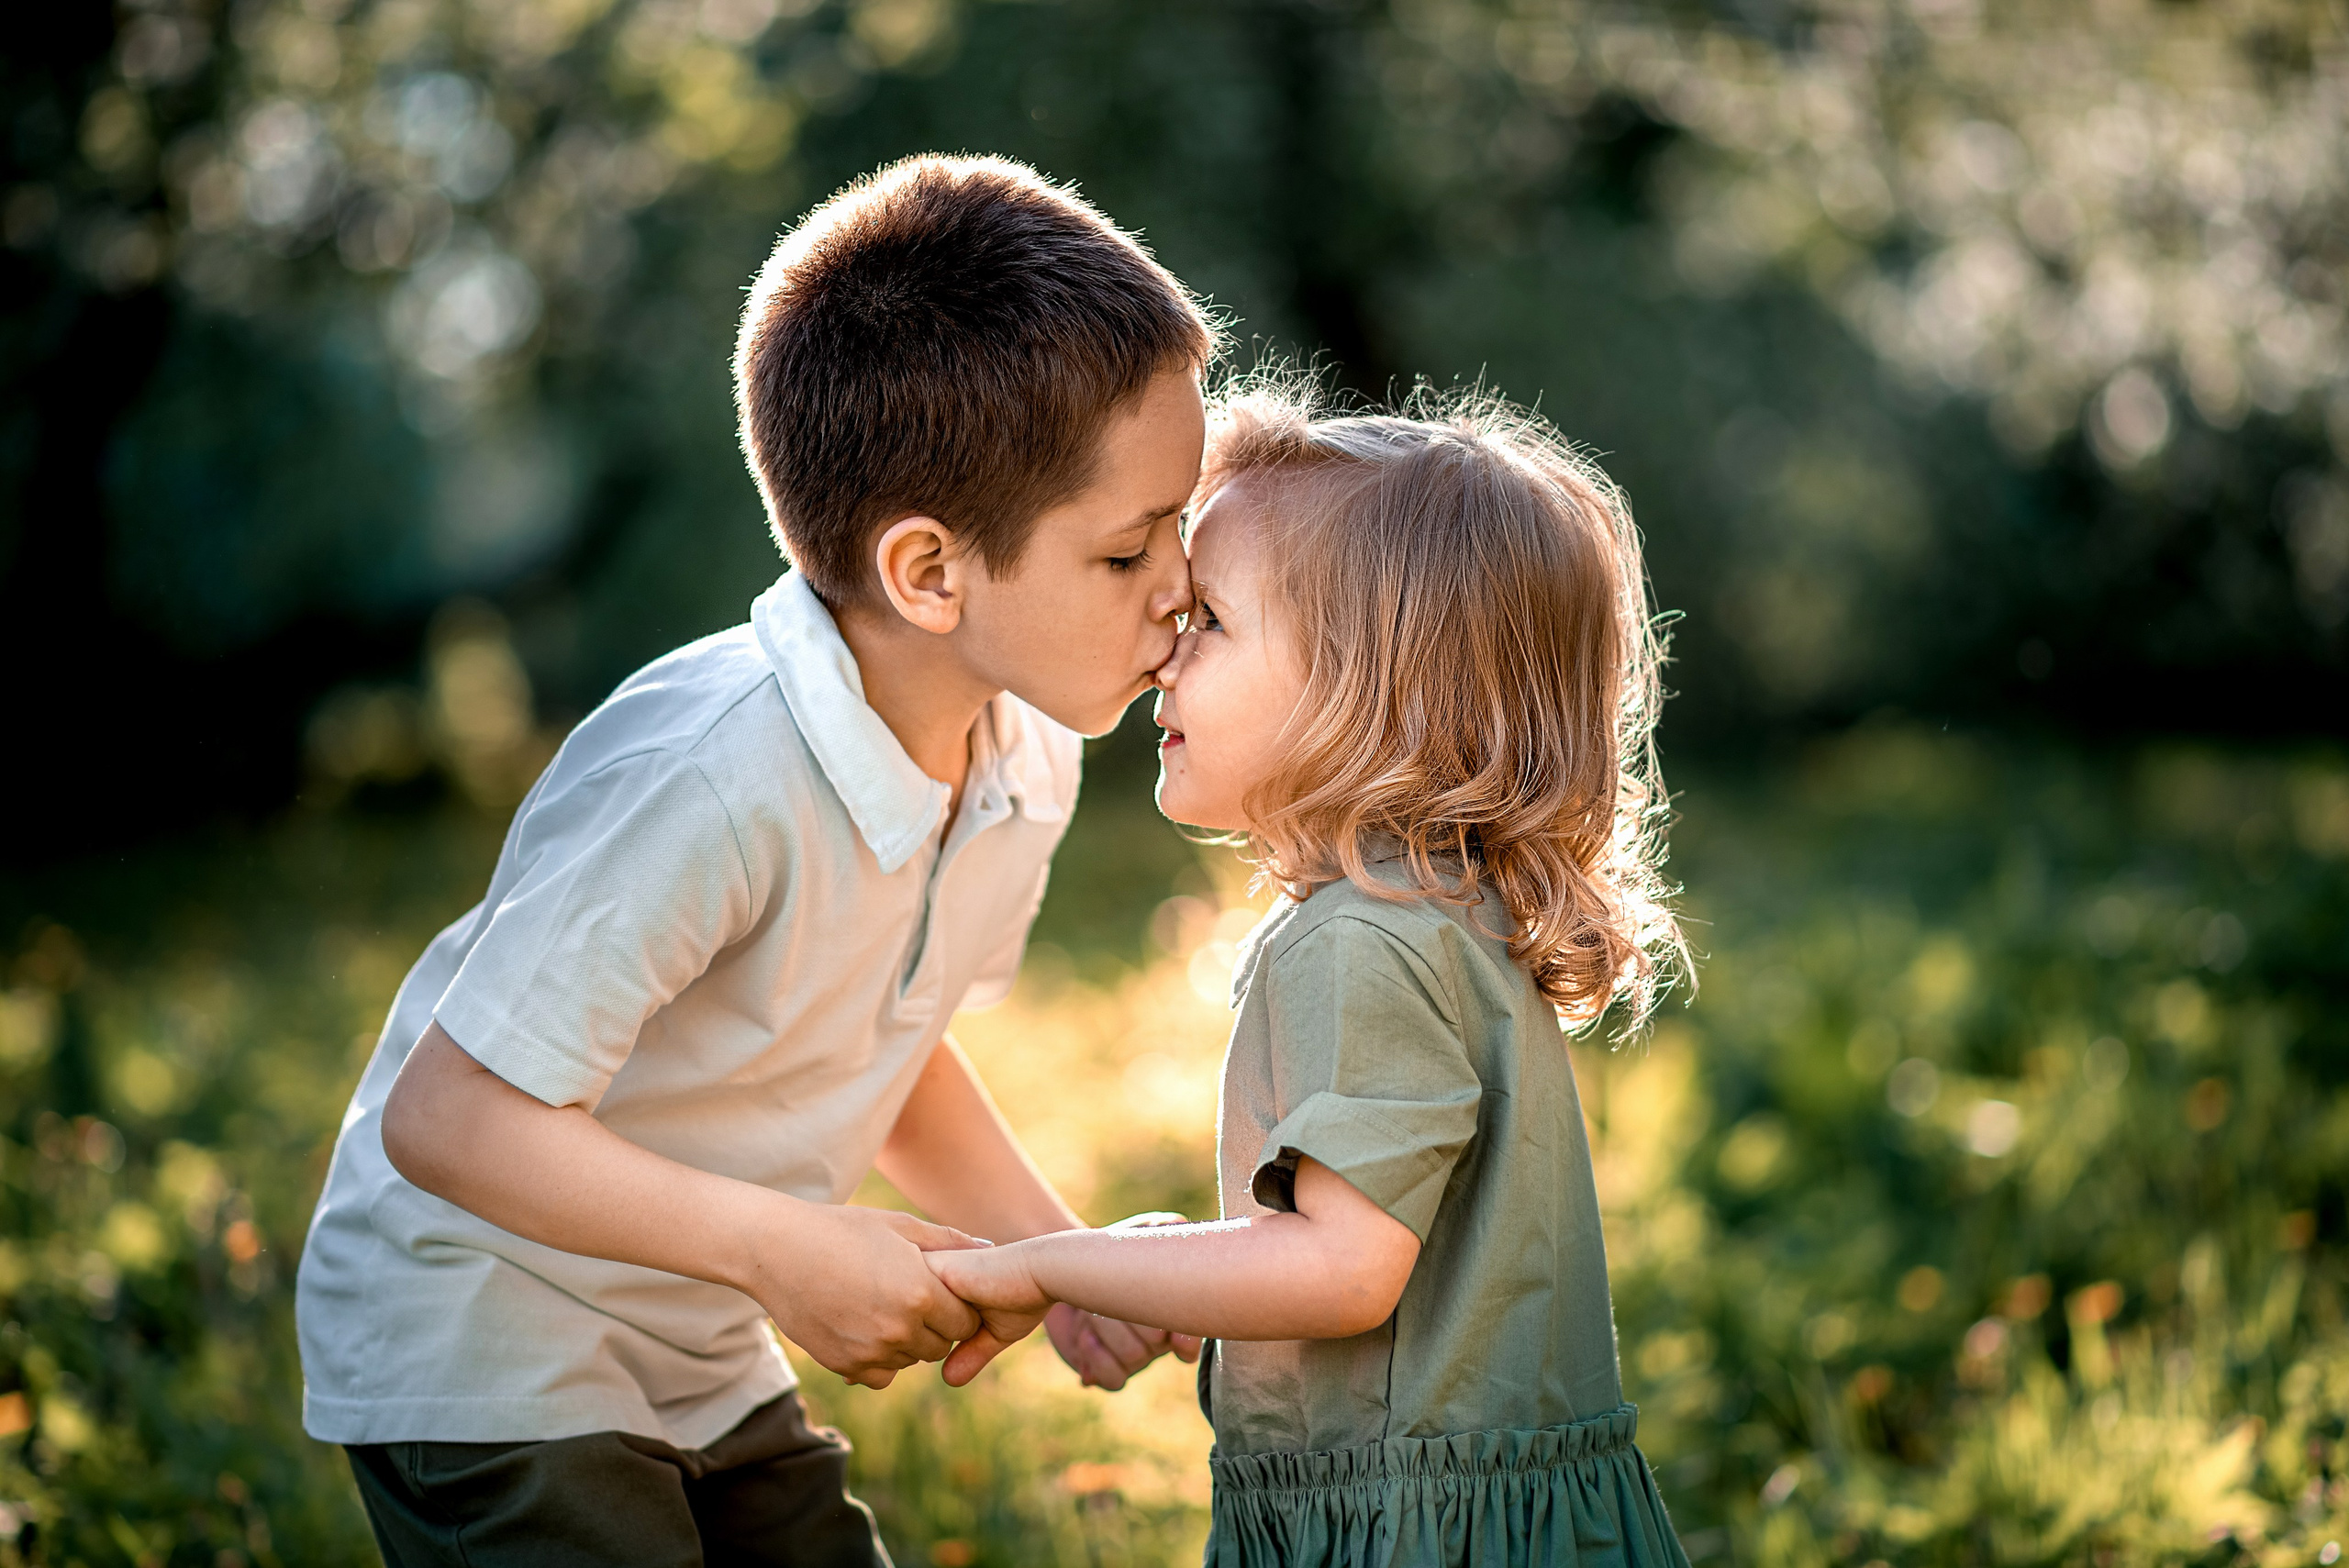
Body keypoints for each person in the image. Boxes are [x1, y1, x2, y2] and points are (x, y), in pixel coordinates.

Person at [293, 153, 1215, 1567]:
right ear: (927, 574)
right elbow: (450, 1120)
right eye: (1123, 552)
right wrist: (782, 1247)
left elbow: (883, 1038)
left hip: (692, 1327)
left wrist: (1056, 1256)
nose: (1181, 587)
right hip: (484, 1330)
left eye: (1184, 530)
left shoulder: (1024, 752)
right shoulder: (707, 770)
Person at [928, 382, 1696, 1566]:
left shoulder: (1362, 936)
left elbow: (1341, 1272)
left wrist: (1041, 1263)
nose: (1162, 657)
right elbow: (1357, 1241)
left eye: (1210, 622)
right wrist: (1166, 1271)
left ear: (1375, 692)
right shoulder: (1446, 912)